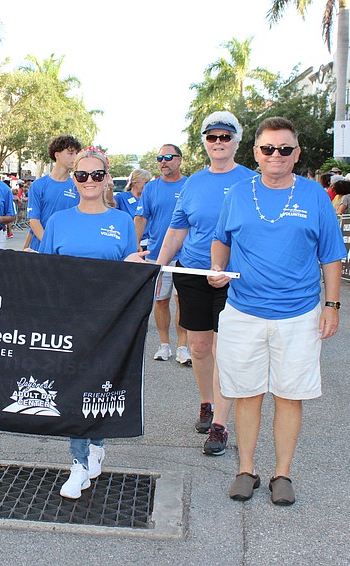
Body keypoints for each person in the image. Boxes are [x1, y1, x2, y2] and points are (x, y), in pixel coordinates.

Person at [209, 117, 347, 506]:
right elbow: (222, 240)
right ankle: (246, 469)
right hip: (243, 311)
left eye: (285, 149)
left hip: (299, 313)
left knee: (290, 395)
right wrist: (218, 270)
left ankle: (282, 474)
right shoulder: (237, 193)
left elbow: (332, 254)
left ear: (296, 153)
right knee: (248, 392)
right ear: (256, 152)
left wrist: (332, 306)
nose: (276, 156)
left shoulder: (315, 196)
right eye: (268, 149)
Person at [35, 146, 147, 499]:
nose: (88, 181)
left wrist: (134, 263)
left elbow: (130, 271)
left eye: (96, 175)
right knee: (71, 386)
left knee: (100, 385)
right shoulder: (58, 221)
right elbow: (44, 272)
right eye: (81, 175)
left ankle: (96, 445)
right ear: (74, 179)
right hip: (68, 319)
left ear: (106, 179)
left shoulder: (121, 222)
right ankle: (79, 463)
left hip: (110, 320)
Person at [156, 111, 255, 456]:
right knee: (199, 347)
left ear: (236, 142)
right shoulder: (193, 183)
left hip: (235, 278)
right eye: (212, 137)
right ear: (205, 142)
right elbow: (177, 230)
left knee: (224, 349)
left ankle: (220, 425)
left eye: (225, 137)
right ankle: (207, 403)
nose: (218, 143)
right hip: (194, 273)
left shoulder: (252, 181)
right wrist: (158, 265)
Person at [135, 143, 189, 364]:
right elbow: (140, 218)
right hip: (157, 254)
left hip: (186, 256)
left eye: (168, 157)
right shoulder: (151, 188)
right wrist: (134, 245)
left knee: (183, 301)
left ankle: (182, 347)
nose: (163, 161)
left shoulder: (190, 185)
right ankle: (164, 345)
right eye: (159, 158)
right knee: (160, 300)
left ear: (179, 160)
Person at [26, 135, 82, 251]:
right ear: (57, 155)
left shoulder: (78, 187)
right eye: (71, 153)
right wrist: (49, 244)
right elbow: (34, 220)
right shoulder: (38, 185)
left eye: (77, 153)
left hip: (66, 249)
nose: (75, 157)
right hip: (41, 248)